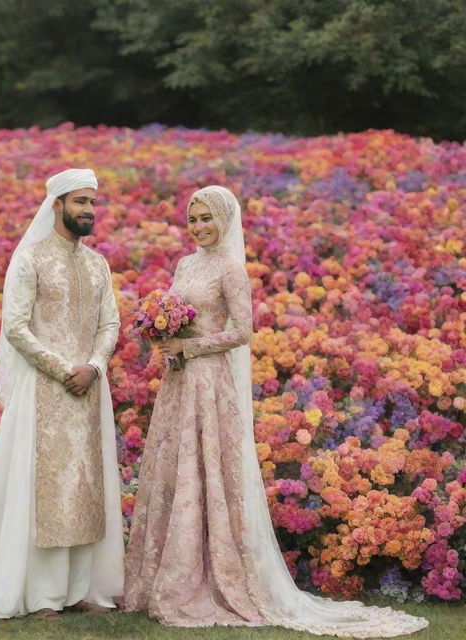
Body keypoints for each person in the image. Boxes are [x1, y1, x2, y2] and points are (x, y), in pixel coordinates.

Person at [123, 185, 428, 636]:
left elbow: (242, 331)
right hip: (180, 381)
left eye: (208, 218)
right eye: (193, 219)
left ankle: (215, 578)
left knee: (208, 470)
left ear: (225, 220)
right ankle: (169, 578)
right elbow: (178, 315)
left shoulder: (230, 268)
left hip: (210, 380)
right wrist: (165, 341)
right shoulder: (185, 264)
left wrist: (190, 346)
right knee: (177, 468)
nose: (199, 227)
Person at [0, 168, 124, 619]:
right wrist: (62, 369)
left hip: (91, 388)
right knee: (44, 489)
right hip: (44, 390)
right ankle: (39, 595)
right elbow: (15, 327)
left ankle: (81, 590)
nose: (88, 210)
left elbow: (110, 322)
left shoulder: (97, 263)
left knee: (86, 486)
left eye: (92, 202)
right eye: (80, 202)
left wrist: (93, 367)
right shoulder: (30, 258)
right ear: (57, 205)